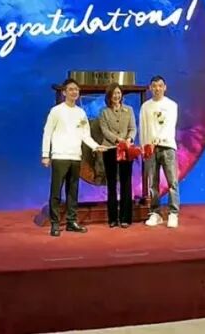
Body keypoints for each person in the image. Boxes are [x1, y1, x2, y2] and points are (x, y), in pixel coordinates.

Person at [41, 78, 107, 237]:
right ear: (64, 92)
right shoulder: (56, 111)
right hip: (60, 156)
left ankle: (71, 221)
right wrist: (45, 155)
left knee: (73, 191)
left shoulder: (81, 113)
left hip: (76, 157)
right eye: (70, 89)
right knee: (56, 192)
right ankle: (55, 223)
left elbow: (85, 135)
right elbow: (47, 133)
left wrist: (96, 146)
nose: (74, 92)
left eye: (76, 90)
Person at [139, 75, 180, 228]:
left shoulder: (171, 105)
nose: (157, 88)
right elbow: (143, 128)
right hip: (150, 149)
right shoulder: (146, 106)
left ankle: (173, 213)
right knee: (152, 183)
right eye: (154, 86)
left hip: (167, 147)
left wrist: (159, 139)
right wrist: (144, 146)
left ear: (165, 87)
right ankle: (155, 213)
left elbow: (170, 125)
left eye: (160, 86)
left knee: (172, 182)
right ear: (150, 88)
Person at [99, 83, 137, 228]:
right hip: (110, 149)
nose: (117, 96)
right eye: (114, 93)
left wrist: (129, 139)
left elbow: (133, 128)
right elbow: (104, 130)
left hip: (126, 149)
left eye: (119, 93)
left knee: (126, 182)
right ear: (109, 96)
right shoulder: (104, 112)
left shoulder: (129, 110)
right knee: (112, 183)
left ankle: (126, 218)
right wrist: (118, 140)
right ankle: (113, 218)